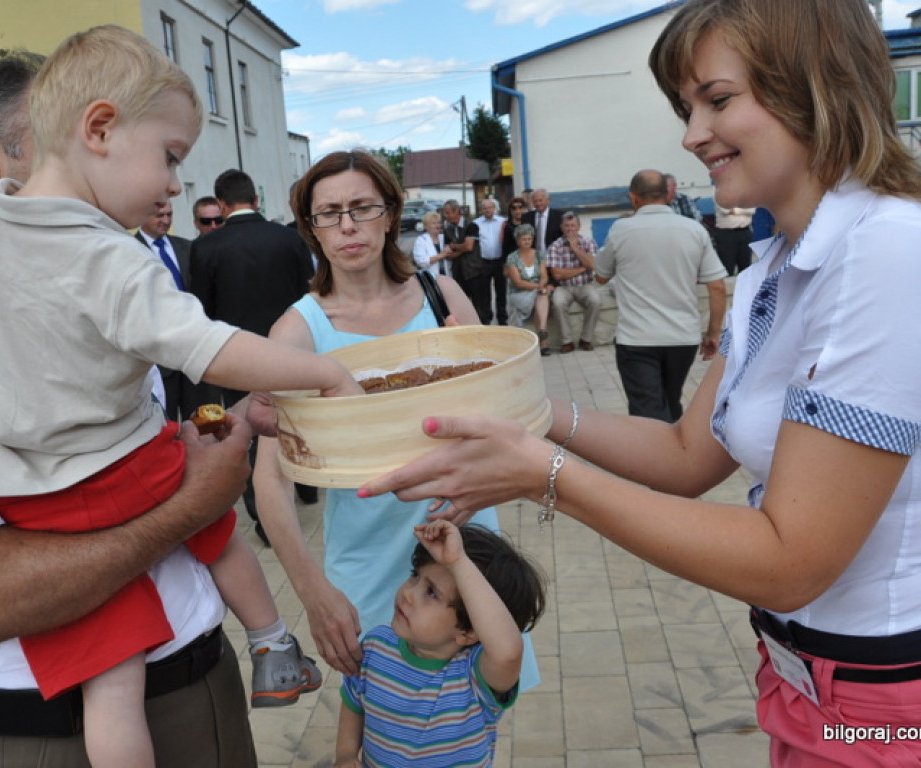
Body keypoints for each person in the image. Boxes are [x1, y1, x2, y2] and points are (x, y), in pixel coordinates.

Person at [362, 0, 921, 764]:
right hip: (807, 677)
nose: (691, 135)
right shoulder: (778, 268)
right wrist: (528, 413)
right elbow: (690, 453)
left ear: (816, 84)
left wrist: (543, 476)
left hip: (886, 694)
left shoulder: (886, 251)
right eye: (686, 108)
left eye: (718, 100)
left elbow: (794, 559)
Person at [0, 26, 359, 767]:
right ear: (99, 130)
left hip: (24, 506)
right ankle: (271, 638)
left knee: (111, 688)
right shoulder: (108, 256)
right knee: (208, 494)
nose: (177, 185)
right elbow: (208, 345)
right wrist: (323, 374)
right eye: (171, 156)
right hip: (115, 472)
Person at [254, 150, 538, 692]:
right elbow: (269, 477)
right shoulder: (299, 331)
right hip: (365, 558)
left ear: (390, 213)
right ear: (311, 230)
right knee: (380, 715)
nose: (347, 226)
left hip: (463, 544)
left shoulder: (441, 294)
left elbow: (498, 418)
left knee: (473, 709)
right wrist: (313, 592)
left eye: (361, 207)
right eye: (329, 213)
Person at [334, 521, 546, 768]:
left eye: (432, 593)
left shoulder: (475, 677)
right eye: (415, 576)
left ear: (468, 632)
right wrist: (346, 755)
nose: (408, 593)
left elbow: (508, 650)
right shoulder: (374, 647)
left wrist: (458, 563)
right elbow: (353, 703)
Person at [190, 168, 318, 545]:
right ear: (256, 200)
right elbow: (306, 294)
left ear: (222, 204)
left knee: (245, 430)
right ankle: (308, 487)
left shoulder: (206, 247)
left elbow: (202, 312)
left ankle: (263, 516)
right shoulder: (288, 239)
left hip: (236, 357)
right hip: (291, 349)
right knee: (298, 418)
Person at [594, 170, 726, 422]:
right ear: (668, 194)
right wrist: (713, 333)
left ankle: (658, 458)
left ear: (632, 197)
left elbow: (600, 276)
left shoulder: (621, 230)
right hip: (682, 337)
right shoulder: (694, 229)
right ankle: (675, 453)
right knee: (670, 400)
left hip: (637, 339)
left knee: (648, 411)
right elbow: (718, 286)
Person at [135, 202, 204, 422]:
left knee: (198, 419)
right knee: (167, 422)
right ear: (143, 216)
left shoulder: (186, 247)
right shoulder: (129, 250)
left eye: (169, 214)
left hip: (191, 351)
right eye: (159, 215)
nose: (166, 220)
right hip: (157, 356)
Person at [546, 211, 602, 354]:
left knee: (595, 300)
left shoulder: (589, 242)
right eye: (566, 226)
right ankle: (567, 341)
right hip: (564, 287)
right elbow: (557, 274)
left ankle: (586, 339)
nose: (570, 229)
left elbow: (593, 265)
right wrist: (583, 267)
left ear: (579, 227)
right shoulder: (555, 246)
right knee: (557, 302)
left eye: (573, 225)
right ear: (562, 228)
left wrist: (575, 248)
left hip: (585, 284)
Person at [503, 223, 551, 356]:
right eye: (524, 239)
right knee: (542, 294)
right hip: (519, 294)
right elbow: (518, 282)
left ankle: (542, 331)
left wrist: (540, 285)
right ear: (518, 240)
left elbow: (544, 276)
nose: (527, 242)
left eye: (529, 239)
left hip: (536, 293)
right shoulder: (512, 257)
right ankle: (543, 341)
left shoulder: (539, 255)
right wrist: (538, 287)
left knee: (541, 296)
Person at [441, 199, 486, 309]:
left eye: (448, 213)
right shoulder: (448, 229)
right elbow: (449, 254)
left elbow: (469, 246)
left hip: (474, 271)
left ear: (456, 211)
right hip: (458, 273)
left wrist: (455, 246)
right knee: (462, 305)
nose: (446, 216)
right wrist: (463, 248)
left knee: (479, 305)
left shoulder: (471, 225)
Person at [475, 198, 508, 325]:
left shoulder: (502, 222)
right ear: (481, 210)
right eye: (485, 208)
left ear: (494, 208)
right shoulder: (476, 223)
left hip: (500, 261)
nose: (487, 210)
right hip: (483, 261)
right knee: (485, 291)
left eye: (490, 207)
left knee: (501, 290)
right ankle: (486, 317)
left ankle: (502, 317)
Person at [713, 190, 756, 275]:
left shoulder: (747, 191)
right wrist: (744, 208)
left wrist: (735, 210)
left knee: (746, 267)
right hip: (727, 234)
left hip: (745, 232)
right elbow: (726, 210)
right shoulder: (719, 192)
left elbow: (752, 209)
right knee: (727, 267)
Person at [411, 210, 454, 277]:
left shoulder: (444, 237)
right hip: (431, 278)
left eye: (439, 223)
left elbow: (451, 256)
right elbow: (421, 262)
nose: (437, 225)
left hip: (447, 277)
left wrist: (450, 251)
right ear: (426, 226)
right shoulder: (421, 240)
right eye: (434, 223)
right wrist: (441, 255)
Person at [521, 188, 563, 255]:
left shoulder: (559, 216)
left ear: (548, 200)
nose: (538, 203)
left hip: (554, 257)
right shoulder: (526, 217)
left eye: (540, 200)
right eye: (535, 201)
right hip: (533, 258)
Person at [500, 196, 528, 261]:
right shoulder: (506, 225)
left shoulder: (529, 223)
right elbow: (505, 247)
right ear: (510, 210)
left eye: (520, 207)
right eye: (514, 208)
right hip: (512, 260)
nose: (518, 211)